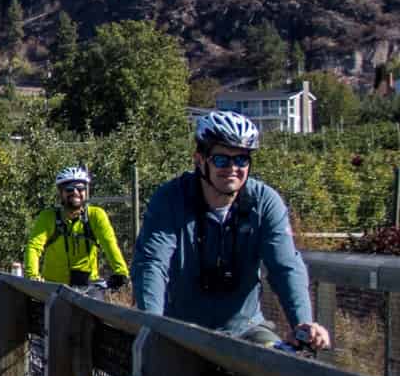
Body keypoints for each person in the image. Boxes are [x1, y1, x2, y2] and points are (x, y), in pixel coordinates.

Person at [132, 110, 331, 349]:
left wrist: (303, 323)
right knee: (164, 372)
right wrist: (152, 324)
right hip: (182, 330)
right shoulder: (171, 198)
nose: (232, 168)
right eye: (221, 160)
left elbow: (285, 266)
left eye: (241, 160)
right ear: (199, 160)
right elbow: (152, 263)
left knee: (280, 366)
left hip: (245, 329)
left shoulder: (264, 202)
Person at [24, 166, 130, 289]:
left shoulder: (96, 215)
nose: (75, 192)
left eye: (80, 188)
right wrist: (32, 276)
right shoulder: (48, 217)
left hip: (89, 286)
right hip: (55, 286)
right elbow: (34, 246)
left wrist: (121, 272)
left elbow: (109, 244)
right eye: (69, 189)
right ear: (60, 192)